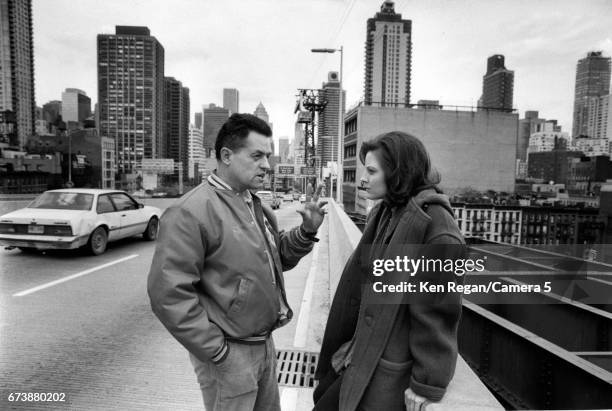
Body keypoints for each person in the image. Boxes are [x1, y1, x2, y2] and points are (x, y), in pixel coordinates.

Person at [147, 113, 327, 411]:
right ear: (226, 156)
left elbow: (276, 258)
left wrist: (307, 231)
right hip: (229, 353)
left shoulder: (253, 203)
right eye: (257, 155)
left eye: (268, 156)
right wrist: (218, 352)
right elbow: (168, 295)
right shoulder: (190, 212)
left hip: (264, 345)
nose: (267, 165)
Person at [313, 131, 465, 411]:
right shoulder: (387, 212)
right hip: (359, 354)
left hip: (386, 367)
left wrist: (427, 381)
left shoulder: (437, 229)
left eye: (372, 171)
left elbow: (438, 311)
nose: (363, 179)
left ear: (397, 173)